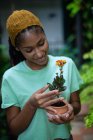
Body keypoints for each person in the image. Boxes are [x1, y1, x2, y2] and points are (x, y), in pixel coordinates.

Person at [1, 10, 83, 140]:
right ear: (17, 48)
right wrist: (32, 104)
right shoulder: (10, 77)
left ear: (45, 35)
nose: (39, 54)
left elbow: (76, 103)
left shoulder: (66, 64)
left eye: (41, 43)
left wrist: (71, 110)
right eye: (29, 50)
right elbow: (14, 129)